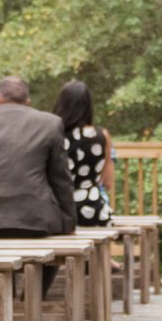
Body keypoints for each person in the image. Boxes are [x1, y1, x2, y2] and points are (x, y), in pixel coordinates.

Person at [0, 75, 70, 237]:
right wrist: (69, 221)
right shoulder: (51, 123)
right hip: (37, 219)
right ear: (28, 102)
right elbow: (60, 178)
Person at [53, 80, 114, 228]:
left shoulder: (54, 134)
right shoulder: (102, 136)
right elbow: (108, 182)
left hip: (60, 210)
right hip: (93, 209)